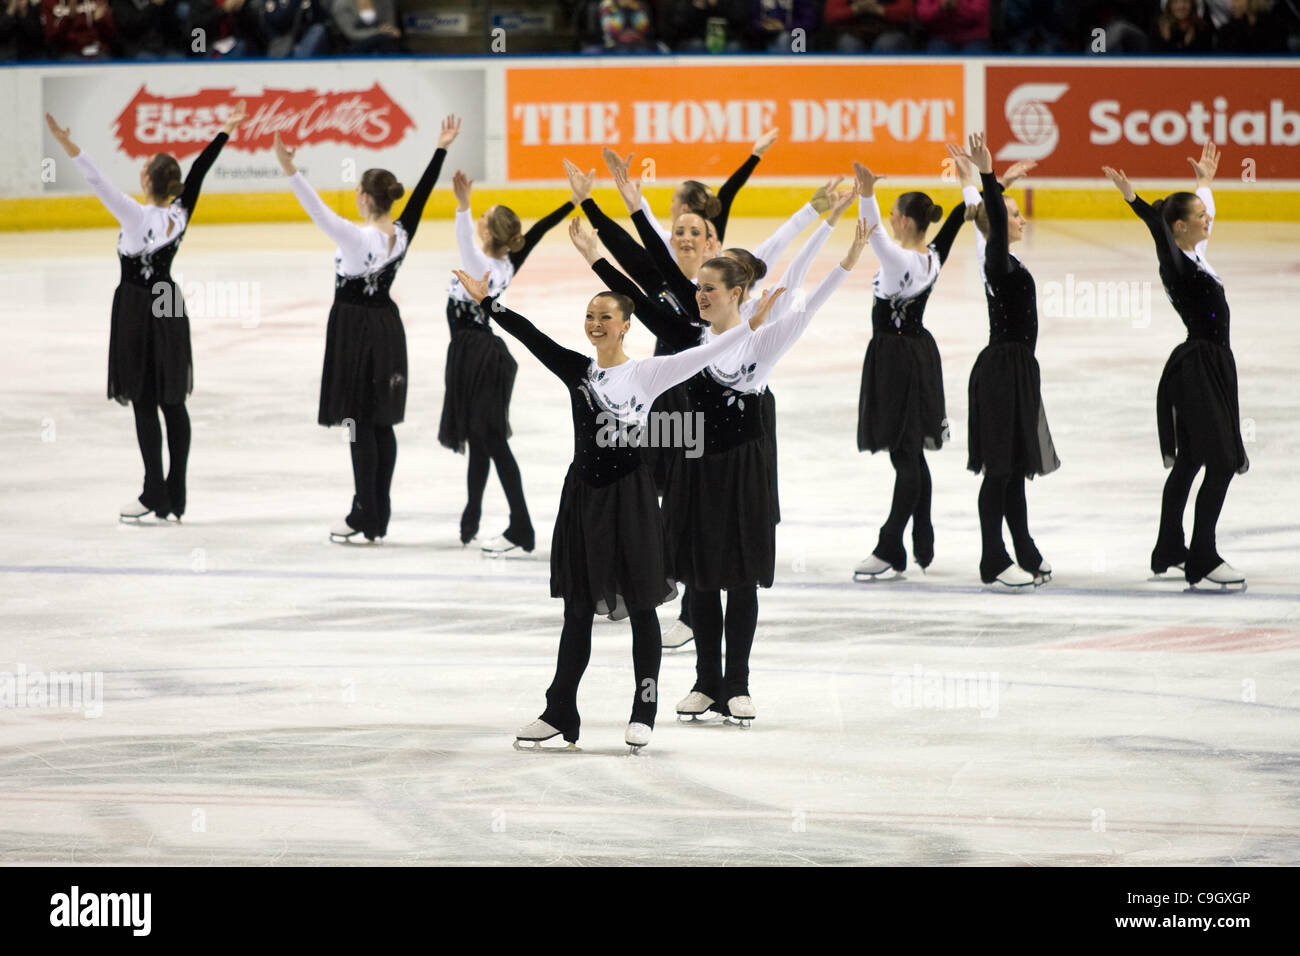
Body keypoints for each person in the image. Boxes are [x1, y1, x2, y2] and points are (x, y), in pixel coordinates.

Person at [449, 271, 782, 752]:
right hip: (582, 499)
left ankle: (643, 709)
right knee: (577, 610)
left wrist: (749, 329)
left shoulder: (646, 374)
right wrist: (490, 304)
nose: (595, 323)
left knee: (642, 606)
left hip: (631, 500)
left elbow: (705, 354)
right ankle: (560, 709)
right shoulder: (579, 370)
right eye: (590, 316)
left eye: (606, 316)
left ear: (626, 325)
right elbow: (532, 337)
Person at [668, 227, 869, 725]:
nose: (700, 296)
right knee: (700, 578)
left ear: (736, 293)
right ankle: (704, 682)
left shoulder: (761, 342)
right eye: (698, 289)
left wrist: (846, 254)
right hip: (694, 470)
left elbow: (809, 301)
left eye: (709, 289)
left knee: (738, 578)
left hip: (741, 474)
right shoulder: (692, 340)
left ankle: (736, 683)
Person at [46, 102, 245, 523]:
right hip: (168, 300)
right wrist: (225, 130)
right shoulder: (179, 213)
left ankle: (153, 490)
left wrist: (68, 145)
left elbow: (98, 180)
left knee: (144, 399)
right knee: (172, 399)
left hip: (138, 306)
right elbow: (200, 171)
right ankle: (176, 492)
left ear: (148, 180)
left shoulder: (135, 216)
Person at [274, 115, 460, 543]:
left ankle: (364, 514)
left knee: (358, 423)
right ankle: (377, 514)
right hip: (386, 330)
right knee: (380, 422)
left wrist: (289, 168)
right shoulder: (401, 232)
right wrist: (441, 149)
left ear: (362, 198)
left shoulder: (357, 240)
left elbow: (316, 210)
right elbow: (423, 195)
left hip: (354, 334)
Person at [1103, 143, 1248, 589]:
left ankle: (1169, 548)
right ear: (1181, 226)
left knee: (1192, 460)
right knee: (1221, 462)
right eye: (1200, 216)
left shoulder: (1197, 256)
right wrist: (1134, 200)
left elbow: (1204, 214)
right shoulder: (1178, 264)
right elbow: (1159, 230)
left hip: (1208, 365)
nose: (1209, 219)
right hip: (1198, 367)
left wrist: (1205, 180)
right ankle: (1202, 556)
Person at [437, 174, 573, 555]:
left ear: (488, 230)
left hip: (476, 358)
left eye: (485, 216)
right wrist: (571, 203)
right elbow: (540, 231)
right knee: (482, 441)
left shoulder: (480, 264)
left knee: (492, 441)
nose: (480, 218)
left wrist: (463, 205)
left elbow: (466, 239)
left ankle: (522, 527)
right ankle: (472, 517)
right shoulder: (507, 263)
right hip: (483, 356)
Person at [948, 134, 1060, 590]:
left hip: (1016, 372)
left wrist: (976, 186)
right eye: (1014, 214)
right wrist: (990, 175)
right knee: (1000, 470)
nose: (1021, 219)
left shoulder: (998, 257)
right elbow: (989, 217)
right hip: (1000, 373)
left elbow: (984, 216)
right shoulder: (996, 260)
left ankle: (1024, 548)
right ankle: (993, 558)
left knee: (1014, 467)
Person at [851, 160, 968, 581]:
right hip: (918, 354)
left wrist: (866, 192)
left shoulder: (899, 260)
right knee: (912, 452)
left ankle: (889, 545)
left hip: (894, 362)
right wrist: (975, 184)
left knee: (905, 456)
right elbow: (957, 219)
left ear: (902, 219)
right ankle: (921, 536)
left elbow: (873, 232)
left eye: (893, 215)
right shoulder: (932, 257)